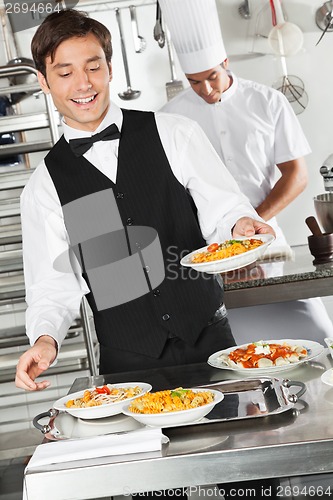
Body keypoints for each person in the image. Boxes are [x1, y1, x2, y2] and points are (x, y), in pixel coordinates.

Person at [15, 8, 273, 393]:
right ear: (44, 82)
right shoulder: (44, 186)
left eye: (93, 67)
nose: (83, 84)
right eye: (65, 73)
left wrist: (240, 225)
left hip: (211, 346)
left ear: (110, 67)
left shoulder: (174, 133)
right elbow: (52, 287)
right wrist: (45, 339)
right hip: (128, 367)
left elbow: (224, 210)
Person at [159, 0, 333, 345]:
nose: (206, 90)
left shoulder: (267, 102)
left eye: (211, 77)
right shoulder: (169, 119)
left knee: (316, 337)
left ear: (225, 62)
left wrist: (250, 225)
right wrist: (222, 241)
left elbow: (296, 175)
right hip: (212, 258)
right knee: (235, 353)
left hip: (268, 247)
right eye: (194, 82)